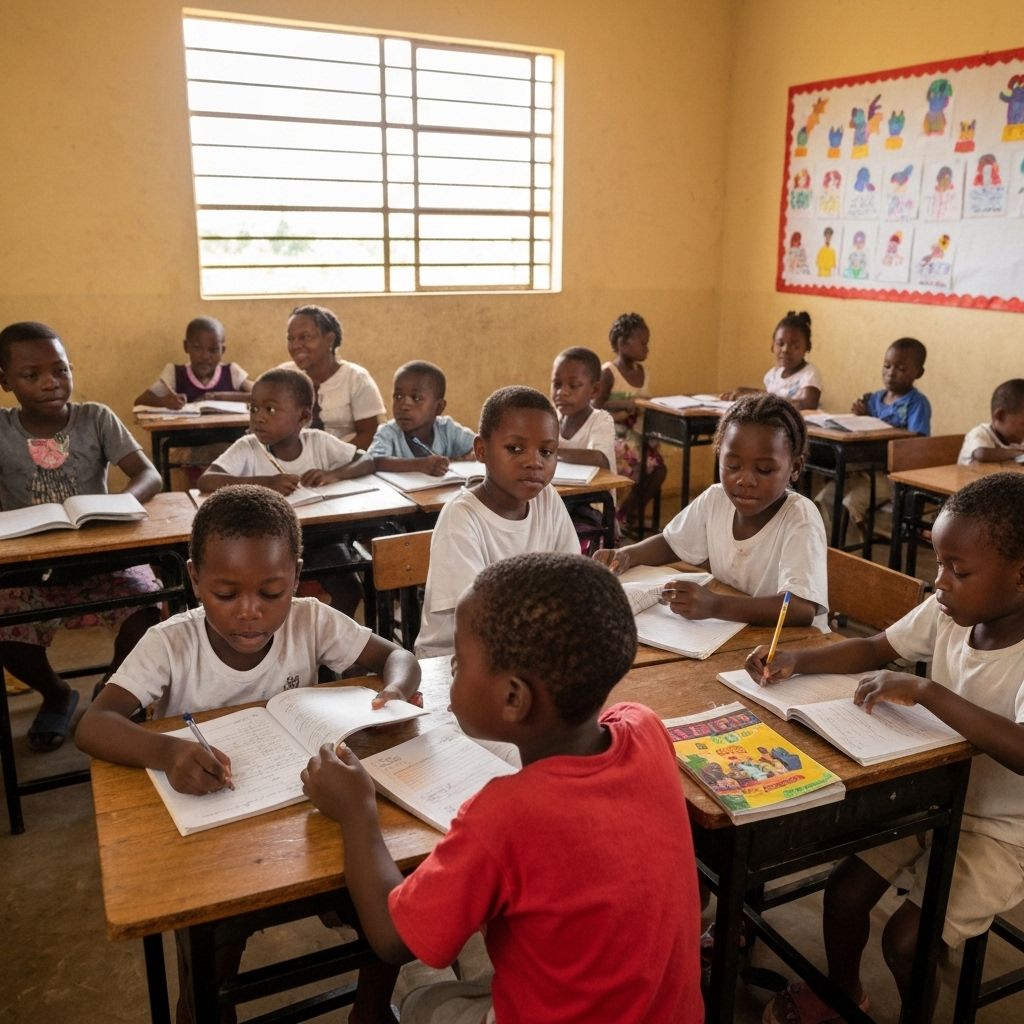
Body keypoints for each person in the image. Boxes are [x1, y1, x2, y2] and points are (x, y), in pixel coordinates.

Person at [301, 552, 704, 1024]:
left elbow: (393, 941)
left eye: (460, 660)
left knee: (423, 1003)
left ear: (514, 697)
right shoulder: (646, 728)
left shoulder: (505, 815)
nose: (451, 666)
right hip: (669, 1011)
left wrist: (357, 812)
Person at [76, 484, 420, 1024]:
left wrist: (395, 691)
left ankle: (371, 1011)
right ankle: (201, 1007)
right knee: (215, 941)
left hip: (304, 810)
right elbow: (94, 724)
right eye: (225, 593)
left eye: (272, 591)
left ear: (296, 575)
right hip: (217, 826)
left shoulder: (311, 618)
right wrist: (166, 752)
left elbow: (397, 655)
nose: (250, 613)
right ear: (194, 578)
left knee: (387, 891)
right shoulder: (171, 643)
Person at [749, 472, 1024, 1024]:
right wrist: (798, 660)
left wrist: (928, 692)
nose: (939, 582)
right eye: (938, 562)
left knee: (906, 940)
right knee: (845, 894)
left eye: (958, 570)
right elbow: (878, 647)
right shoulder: (950, 611)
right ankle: (842, 995)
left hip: (1003, 831)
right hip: (932, 797)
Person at [0, 320, 163, 752]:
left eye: (61, 370)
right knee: (5, 630)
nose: (51, 383)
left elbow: (147, 474)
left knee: (148, 608)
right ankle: (56, 693)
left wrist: (122, 503)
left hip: (101, 555)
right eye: (32, 375)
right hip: (30, 566)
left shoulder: (96, 418)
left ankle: (110, 690)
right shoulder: (1, 430)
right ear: (5, 381)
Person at [594, 393, 829, 632]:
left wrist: (714, 605)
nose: (745, 480)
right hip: (737, 634)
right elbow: (672, 542)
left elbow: (800, 609)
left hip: (792, 646)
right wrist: (626, 555)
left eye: (764, 469)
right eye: (733, 466)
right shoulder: (717, 498)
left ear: (795, 468)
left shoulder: (799, 519)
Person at [413, 386, 578, 658]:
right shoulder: (462, 517)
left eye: (546, 452)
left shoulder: (547, 500)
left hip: (528, 651)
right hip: (455, 662)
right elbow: (480, 620)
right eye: (515, 448)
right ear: (481, 450)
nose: (534, 462)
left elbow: (572, 582)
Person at [198, 369, 373, 616]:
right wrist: (266, 483)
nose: (258, 418)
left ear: (303, 417)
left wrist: (333, 474)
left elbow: (366, 461)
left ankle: (326, 645)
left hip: (320, 539)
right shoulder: (248, 447)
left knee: (350, 589)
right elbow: (207, 480)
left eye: (270, 410)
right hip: (263, 546)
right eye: (253, 409)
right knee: (271, 594)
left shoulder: (318, 442)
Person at [815, 337, 930, 544]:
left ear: (918, 373)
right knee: (824, 498)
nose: (891, 373)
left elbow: (917, 442)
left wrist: (874, 419)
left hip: (889, 475)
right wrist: (860, 416)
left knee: (851, 503)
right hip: (860, 469)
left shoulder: (916, 403)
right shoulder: (875, 398)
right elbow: (863, 429)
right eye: (886, 366)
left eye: (901, 368)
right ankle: (830, 546)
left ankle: (853, 554)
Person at [594, 312, 666, 530]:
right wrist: (627, 403)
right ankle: (622, 516)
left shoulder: (643, 371)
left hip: (639, 435)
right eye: (642, 343)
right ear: (623, 343)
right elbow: (595, 406)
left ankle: (628, 514)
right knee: (651, 465)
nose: (647, 348)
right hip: (616, 436)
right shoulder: (609, 372)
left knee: (658, 468)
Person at [278, 305, 385, 449]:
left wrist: (333, 460)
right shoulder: (284, 376)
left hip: (346, 463)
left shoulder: (356, 378)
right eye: (291, 338)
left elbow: (370, 434)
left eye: (305, 337)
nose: (296, 345)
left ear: (329, 339)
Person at [551, 346, 617, 551]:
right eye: (557, 384)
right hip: (561, 504)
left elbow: (599, 459)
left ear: (594, 391)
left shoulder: (600, 420)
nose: (563, 392)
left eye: (574, 385)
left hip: (594, 511)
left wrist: (550, 450)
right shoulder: (552, 418)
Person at [367, 361, 475, 475]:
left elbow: (480, 446)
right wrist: (420, 465)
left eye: (416, 398)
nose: (404, 406)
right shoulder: (388, 432)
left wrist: (468, 457)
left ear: (439, 407)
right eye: (398, 396)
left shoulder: (447, 428)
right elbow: (373, 461)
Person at [134, 316, 253, 409]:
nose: (205, 356)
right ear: (186, 347)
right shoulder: (175, 374)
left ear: (223, 351)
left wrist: (217, 396)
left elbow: (260, 396)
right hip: (185, 438)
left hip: (228, 438)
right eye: (197, 348)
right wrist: (164, 402)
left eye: (214, 350)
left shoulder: (231, 372)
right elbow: (140, 402)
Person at [721, 311, 822, 410]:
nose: (785, 350)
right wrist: (746, 394)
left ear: (808, 347)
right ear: (772, 346)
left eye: (795, 346)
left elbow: (807, 403)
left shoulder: (809, 374)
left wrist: (759, 396)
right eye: (780, 344)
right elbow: (769, 400)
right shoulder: (773, 375)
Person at [958, 378, 1024, 464]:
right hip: (970, 477)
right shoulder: (980, 433)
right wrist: (1019, 453)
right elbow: (981, 454)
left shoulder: (1018, 440)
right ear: (1000, 416)